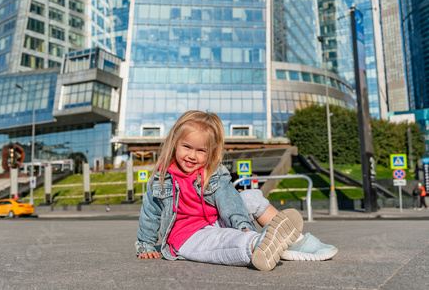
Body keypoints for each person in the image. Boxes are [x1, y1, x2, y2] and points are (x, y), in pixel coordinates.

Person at [135, 110, 337, 271]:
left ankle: (294, 241)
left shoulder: (213, 174)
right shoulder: (161, 180)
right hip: (187, 237)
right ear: (175, 144)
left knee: (250, 197)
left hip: (215, 222)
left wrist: (243, 225)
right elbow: (150, 214)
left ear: (211, 152)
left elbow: (231, 203)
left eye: (201, 150)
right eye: (187, 147)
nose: (192, 156)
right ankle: (259, 244)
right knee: (222, 241)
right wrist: (146, 245)